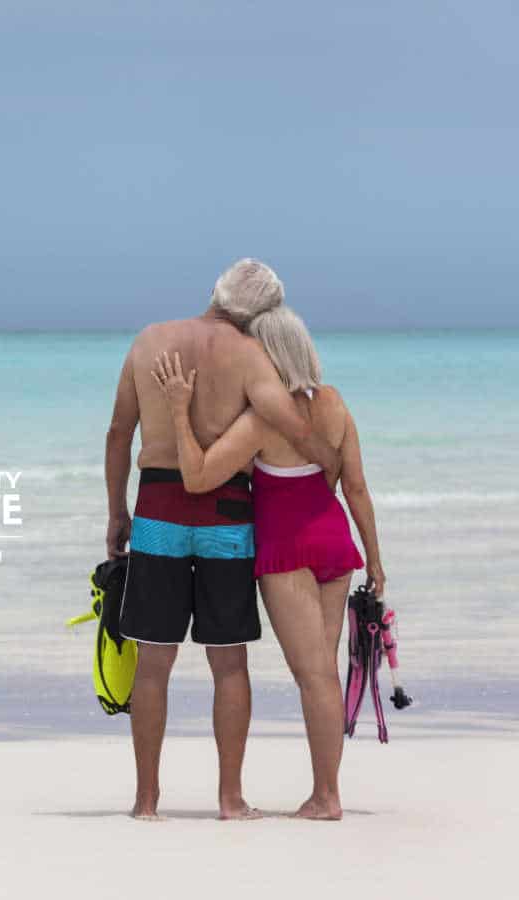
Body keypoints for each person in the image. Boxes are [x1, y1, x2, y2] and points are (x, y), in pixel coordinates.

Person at [105, 259, 341, 820]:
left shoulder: (149, 341)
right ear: (261, 313)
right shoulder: (250, 356)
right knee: (229, 663)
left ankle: (145, 801)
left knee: (153, 664)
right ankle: (231, 799)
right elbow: (294, 427)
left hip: (158, 511)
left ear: (215, 291)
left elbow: (119, 432)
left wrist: (117, 511)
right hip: (227, 519)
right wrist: (330, 472)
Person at [151, 305, 385, 821]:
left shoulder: (261, 419)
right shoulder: (336, 404)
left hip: (287, 551)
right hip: (336, 545)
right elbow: (358, 489)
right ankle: (325, 793)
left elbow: (196, 476)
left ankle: (327, 799)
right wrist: (377, 561)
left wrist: (178, 410)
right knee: (321, 673)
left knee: (315, 677)